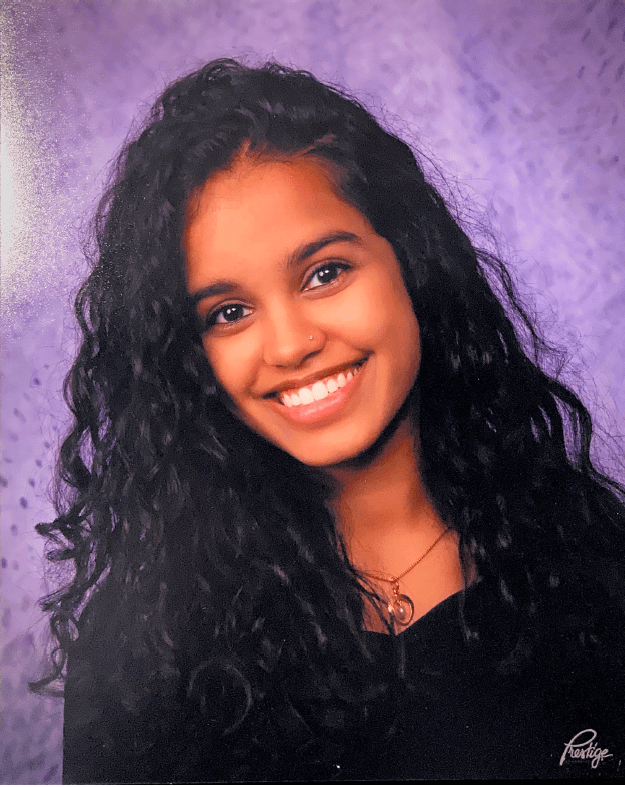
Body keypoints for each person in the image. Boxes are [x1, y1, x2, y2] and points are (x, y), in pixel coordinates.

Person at [33, 58, 625, 782]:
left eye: (324, 272)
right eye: (228, 312)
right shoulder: (147, 648)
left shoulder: (591, 563)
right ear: (190, 358)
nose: (289, 344)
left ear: (408, 258)